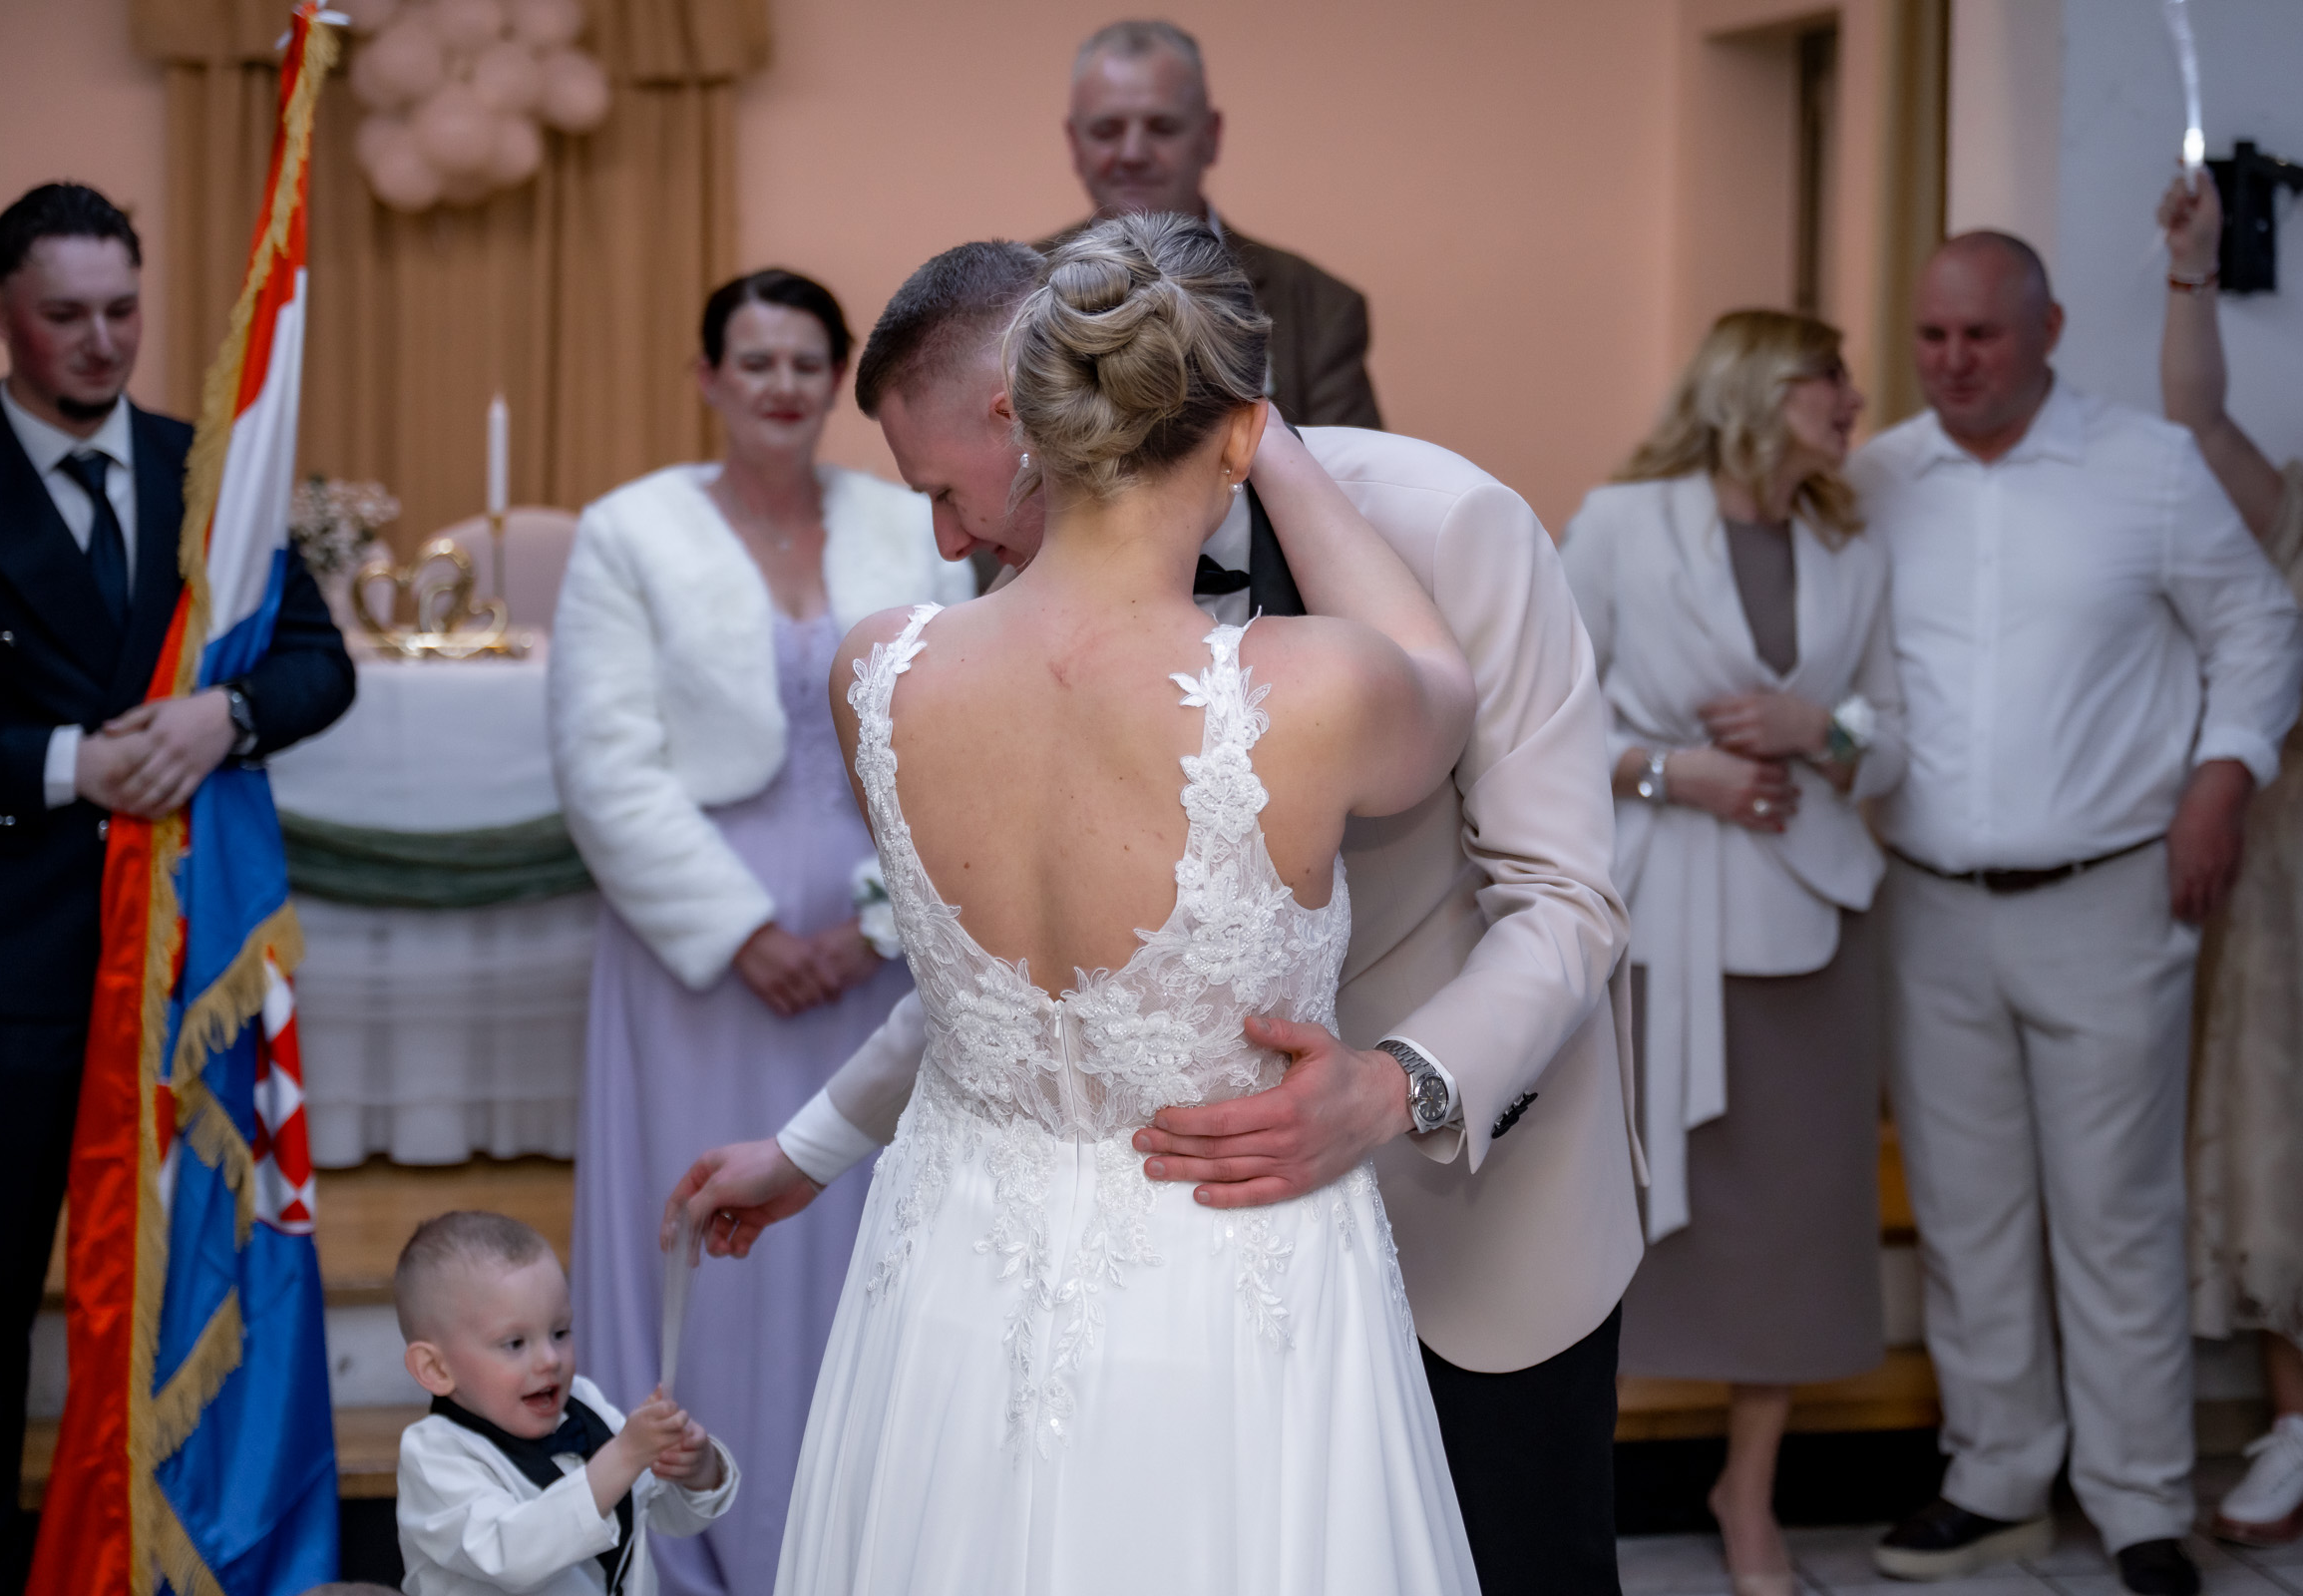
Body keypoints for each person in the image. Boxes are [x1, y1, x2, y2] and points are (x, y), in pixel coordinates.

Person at [667, 235, 1640, 1595]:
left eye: (943, 490)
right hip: (1179, 1258)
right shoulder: (1022, 607)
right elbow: (1018, 983)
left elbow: (1568, 900)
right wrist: (809, 1146)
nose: (948, 542)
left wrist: (1395, 1086)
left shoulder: (1448, 526)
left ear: (1023, 413)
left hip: (1470, 1207)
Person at [1849, 231, 2303, 1596]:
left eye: (1981, 335)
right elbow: (1839, 671)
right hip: (1927, 904)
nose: (1952, 362)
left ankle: (2141, 1498)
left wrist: (2222, 782)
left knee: (2115, 1215)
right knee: (1968, 1213)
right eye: (1932, 336)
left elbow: (2261, 629)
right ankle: (1996, 1479)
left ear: (2048, 330)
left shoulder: (2147, 468)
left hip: (2112, 896)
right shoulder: (1876, 481)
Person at [0, 182, 355, 1592]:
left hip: (189, 970)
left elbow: (319, 664)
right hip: (3, 972)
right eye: (63, 314)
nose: (101, 340)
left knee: (185, 1285)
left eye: (122, 309)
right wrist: (69, 763)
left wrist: (221, 719)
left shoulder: (209, 472)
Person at [548, 269, 970, 1593]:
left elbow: (965, 726)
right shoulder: (629, 531)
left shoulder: (909, 521)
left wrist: (880, 917)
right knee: (706, 1226)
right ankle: (687, 1537)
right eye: (755, 360)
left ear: (837, 379)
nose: (781, 385)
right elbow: (603, 763)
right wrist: (741, 931)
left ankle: (853, 1542)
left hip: (883, 932)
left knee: (862, 1222)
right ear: (709, 377)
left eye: (805, 362)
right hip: (694, 953)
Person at [1564, 309, 1901, 1596]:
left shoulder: (1850, 544)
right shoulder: (1620, 524)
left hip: (1814, 930)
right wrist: (1672, 772)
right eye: (1830, 379)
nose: (1853, 401)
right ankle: (1576, 1491)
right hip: (1657, 927)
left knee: (1793, 1228)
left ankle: (1747, 1497)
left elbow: (1894, 739)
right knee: (1628, 1218)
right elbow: (1533, 715)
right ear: (1756, 389)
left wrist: (1823, 730)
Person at [2157, 168, 2303, 1547]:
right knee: (2284, 1124)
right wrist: (2194, 269)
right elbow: (2194, 415)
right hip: (2291, 866)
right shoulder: (2295, 516)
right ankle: (2300, 1433)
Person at [1042, 20, 1384, 430]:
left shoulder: (1319, 307)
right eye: (1106, 130)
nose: (1133, 153)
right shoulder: (1012, 290)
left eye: (1162, 127)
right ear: (1074, 144)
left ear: (1211, 136)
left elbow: (1348, 467)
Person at [391, 1211, 740, 1596]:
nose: (550, 1360)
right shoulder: (434, 1454)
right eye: (515, 1343)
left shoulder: (585, 1405)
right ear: (436, 1368)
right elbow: (510, 1555)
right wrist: (624, 1456)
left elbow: (662, 1511)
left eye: (560, 1333)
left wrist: (696, 1469)